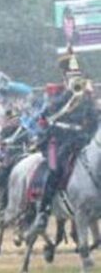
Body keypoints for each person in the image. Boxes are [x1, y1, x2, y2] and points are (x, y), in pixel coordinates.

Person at [31, 47, 99, 233]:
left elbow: (94, 121)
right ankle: (44, 212)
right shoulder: (58, 96)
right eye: (71, 76)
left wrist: (88, 133)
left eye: (78, 75)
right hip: (59, 140)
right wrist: (69, 93)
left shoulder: (86, 98)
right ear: (65, 78)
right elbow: (47, 115)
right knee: (55, 170)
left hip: (81, 141)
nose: (75, 79)